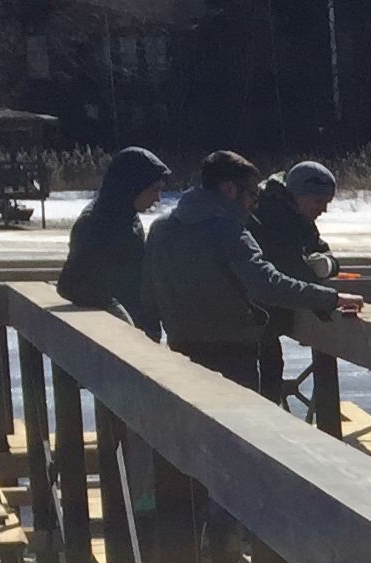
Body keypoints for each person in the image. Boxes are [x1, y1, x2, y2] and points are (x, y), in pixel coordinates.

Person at [138, 149, 355, 391]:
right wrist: (330, 299)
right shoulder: (229, 232)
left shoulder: (161, 228)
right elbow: (266, 284)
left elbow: (148, 291)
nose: (254, 202)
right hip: (232, 353)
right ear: (230, 189)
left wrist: (149, 343)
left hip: (181, 346)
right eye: (252, 193)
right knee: (243, 422)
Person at [55, 146, 167, 332]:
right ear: (133, 185)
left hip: (138, 332)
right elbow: (70, 285)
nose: (158, 198)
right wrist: (115, 309)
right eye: (154, 189)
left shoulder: (127, 216)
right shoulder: (94, 225)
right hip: (113, 338)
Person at [252, 158, 338, 280]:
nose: (324, 209)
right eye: (319, 201)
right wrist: (311, 269)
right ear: (298, 195)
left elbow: (322, 249)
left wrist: (328, 264)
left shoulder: (300, 218)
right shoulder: (267, 218)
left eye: (327, 203)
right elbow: (293, 271)